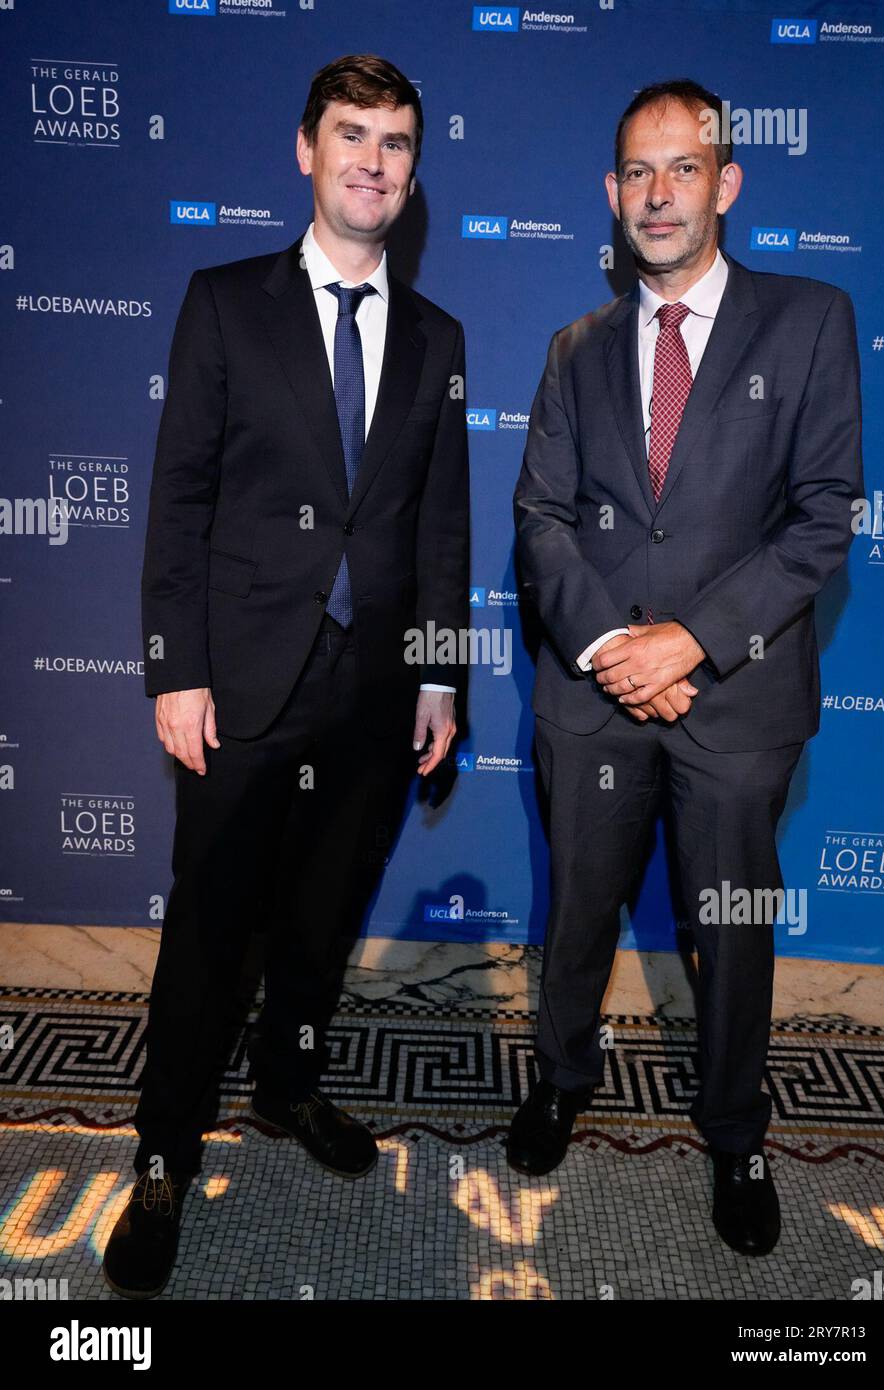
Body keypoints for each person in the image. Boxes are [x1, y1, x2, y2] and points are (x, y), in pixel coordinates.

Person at [104, 53, 469, 1299]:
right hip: (240, 683)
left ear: (415, 172)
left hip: (371, 694)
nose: (374, 159)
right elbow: (178, 501)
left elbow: (438, 531)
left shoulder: (437, 337)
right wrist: (175, 666)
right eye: (352, 134)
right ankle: (159, 1155)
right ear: (304, 150)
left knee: (317, 926)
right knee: (207, 932)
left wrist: (435, 677)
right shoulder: (224, 302)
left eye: (398, 142)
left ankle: (291, 1085)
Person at [510, 78, 862, 1257]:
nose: (658, 195)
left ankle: (736, 1132)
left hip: (738, 699)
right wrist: (616, 649)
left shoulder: (810, 320)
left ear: (726, 180)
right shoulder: (575, 350)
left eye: (682, 169)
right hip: (592, 697)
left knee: (733, 926)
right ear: (611, 196)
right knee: (577, 911)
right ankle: (560, 1080)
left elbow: (821, 519)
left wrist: (691, 643)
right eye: (636, 174)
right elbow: (541, 519)